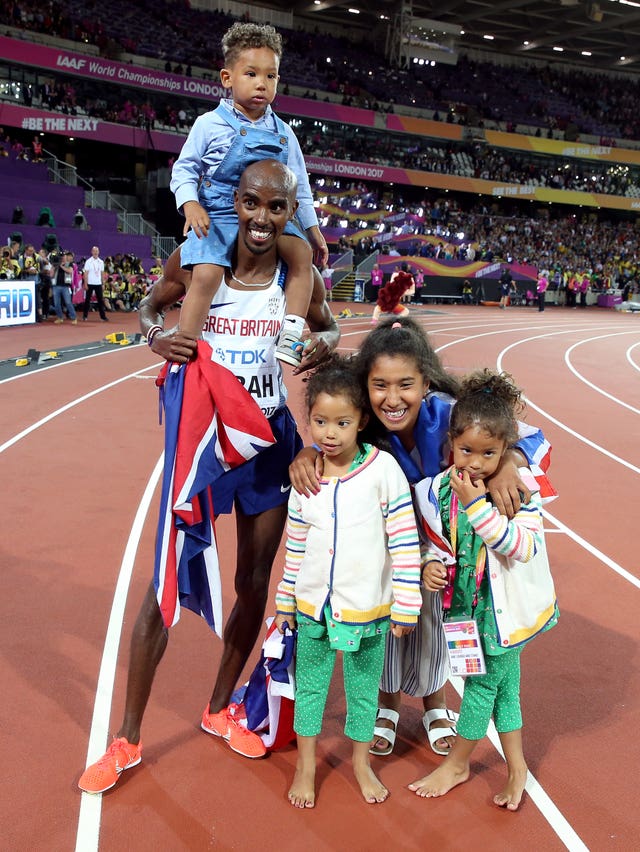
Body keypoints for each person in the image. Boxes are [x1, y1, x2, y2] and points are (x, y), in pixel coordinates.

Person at [77, 159, 339, 795]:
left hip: (269, 445)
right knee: (163, 581)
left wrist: (321, 346)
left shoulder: (298, 277)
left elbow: (327, 329)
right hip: (205, 446)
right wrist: (150, 334)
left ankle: (219, 705)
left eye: (278, 209)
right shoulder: (201, 264)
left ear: (289, 212)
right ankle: (128, 739)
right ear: (236, 201)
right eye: (252, 204)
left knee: (254, 581)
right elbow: (149, 306)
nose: (262, 220)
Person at [289, 317, 555, 760]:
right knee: (391, 629)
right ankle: (387, 705)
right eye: (379, 386)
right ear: (365, 387)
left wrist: (509, 460)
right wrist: (309, 450)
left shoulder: (450, 412)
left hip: (447, 550)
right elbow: (332, 434)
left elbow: (524, 436)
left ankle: (436, 704)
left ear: (426, 381)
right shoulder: (366, 425)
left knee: (436, 628)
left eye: (406, 385)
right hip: (391, 547)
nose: (393, 399)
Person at [274, 354, 422, 808]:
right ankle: (306, 766)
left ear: (361, 422)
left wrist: (406, 602)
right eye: (319, 422)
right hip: (312, 607)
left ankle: (361, 764)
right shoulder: (307, 477)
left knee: (362, 691)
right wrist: (285, 599)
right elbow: (295, 545)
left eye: (342, 422)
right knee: (312, 689)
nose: (329, 433)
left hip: (368, 610)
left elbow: (403, 542)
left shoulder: (383, 472)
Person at [410, 369, 558, 810]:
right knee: (505, 690)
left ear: (506, 451)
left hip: (504, 614)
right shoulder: (434, 490)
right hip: (463, 613)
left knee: (479, 687)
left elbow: (521, 546)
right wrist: (429, 565)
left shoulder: (520, 491)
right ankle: (517, 771)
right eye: (465, 450)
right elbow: (430, 542)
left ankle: (458, 763)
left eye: (489, 453)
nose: (474, 462)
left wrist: (479, 507)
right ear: (451, 443)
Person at [170, 22, 328, 367]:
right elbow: (184, 169)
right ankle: (185, 350)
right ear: (227, 78)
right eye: (252, 74)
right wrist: (190, 203)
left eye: (271, 77)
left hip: (268, 218)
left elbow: (299, 183)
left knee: (301, 255)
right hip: (218, 214)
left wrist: (313, 230)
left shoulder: (285, 134)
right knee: (207, 274)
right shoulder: (208, 124)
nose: (262, 83)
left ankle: (291, 331)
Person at [82, 245, 109, 322]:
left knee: (100, 300)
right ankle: (85, 316)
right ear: (91, 252)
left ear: (98, 252)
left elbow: (102, 274)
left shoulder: (101, 262)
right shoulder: (88, 261)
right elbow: (86, 273)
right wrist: (85, 284)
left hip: (98, 283)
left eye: (96, 251)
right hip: (90, 283)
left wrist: (103, 284)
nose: (95, 253)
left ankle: (103, 316)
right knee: (87, 300)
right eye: (94, 251)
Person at [51, 251, 78, 324]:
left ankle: (74, 318)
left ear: (65, 257)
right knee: (56, 303)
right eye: (61, 256)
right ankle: (60, 317)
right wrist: (54, 267)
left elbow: (69, 271)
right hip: (56, 286)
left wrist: (61, 266)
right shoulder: (55, 264)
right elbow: (51, 275)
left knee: (68, 302)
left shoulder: (70, 264)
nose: (62, 257)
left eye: (63, 256)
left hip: (65, 286)